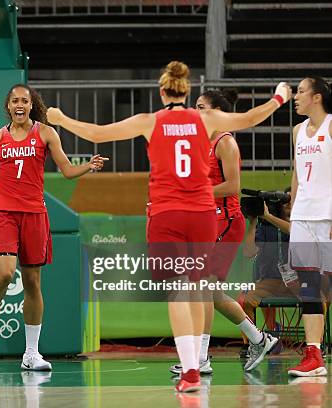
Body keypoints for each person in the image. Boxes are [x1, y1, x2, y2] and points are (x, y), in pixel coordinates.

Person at [46, 61, 291, 392]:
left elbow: (98, 133)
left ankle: (191, 369)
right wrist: (278, 98)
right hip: (204, 214)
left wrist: (61, 120)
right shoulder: (205, 120)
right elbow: (249, 119)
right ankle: (202, 360)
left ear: (162, 92)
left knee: (178, 290)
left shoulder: (150, 121)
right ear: (187, 90)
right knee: (199, 287)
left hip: (167, 214)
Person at [0, 84, 106, 372]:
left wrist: (89, 166)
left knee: (33, 282)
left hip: (34, 213)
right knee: (7, 272)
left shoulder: (46, 133)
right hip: (3, 211)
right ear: (8, 107)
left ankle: (31, 353)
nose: (19, 104)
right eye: (14, 101)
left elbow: (68, 170)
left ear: (31, 105)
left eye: (24, 100)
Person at [169, 89, 278, 376]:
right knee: (212, 293)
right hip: (207, 220)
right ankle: (259, 338)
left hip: (227, 219)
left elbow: (232, 186)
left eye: (202, 106)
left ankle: (201, 358)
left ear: (218, 111)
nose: (196, 111)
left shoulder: (225, 141)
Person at [287, 76, 332, 377]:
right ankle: (314, 354)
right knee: (308, 288)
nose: (296, 97)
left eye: (301, 92)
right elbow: (296, 174)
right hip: (303, 217)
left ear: (317, 97)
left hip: (328, 216)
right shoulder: (296, 131)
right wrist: (292, 209)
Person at [240, 191, 296, 354]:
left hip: (297, 281)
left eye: (290, 203)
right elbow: (249, 252)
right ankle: (251, 344)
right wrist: (253, 223)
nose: (288, 206)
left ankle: (316, 345)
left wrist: (268, 216)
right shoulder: (264, 227)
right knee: (243, 301)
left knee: (318, 298)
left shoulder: (300, 224)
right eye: (285, 203)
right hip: (269, 281)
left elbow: (292, 230)